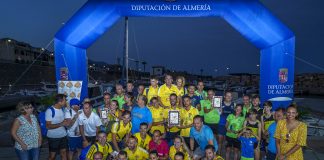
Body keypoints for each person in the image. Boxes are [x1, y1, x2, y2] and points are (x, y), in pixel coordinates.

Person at [45, 94, 69, 160]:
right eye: (65, 100)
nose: (66, 102)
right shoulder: (50, 111)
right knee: (52, 156)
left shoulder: (62, 109)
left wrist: (66, 123)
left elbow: (64, 121)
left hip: (63, 135)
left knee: (64, 153)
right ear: (60, 101)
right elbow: (48, 126)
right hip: (53, 137)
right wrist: (61, 124)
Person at [217, 91, 234, 156]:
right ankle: (219, 155)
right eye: (227, 96)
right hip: (221, 124)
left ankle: (224, 154)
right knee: (220, 141)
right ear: (224, 96)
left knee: (227, 141)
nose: (229, 97)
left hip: (230, 125)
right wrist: (219, 111)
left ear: (232, 97)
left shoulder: (234, 104)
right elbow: (218, 113)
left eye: (230, 96)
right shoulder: (220, 104)